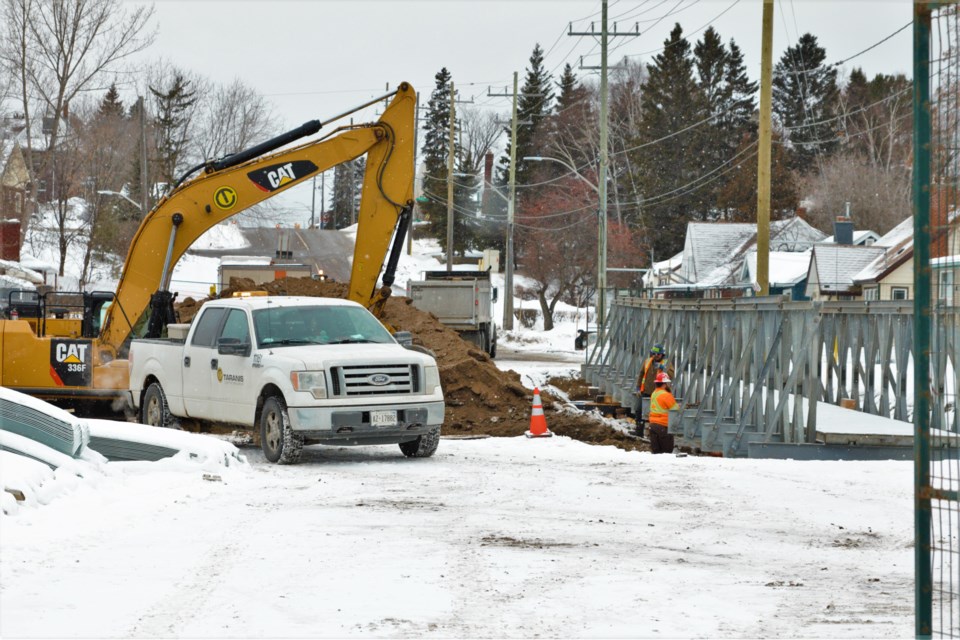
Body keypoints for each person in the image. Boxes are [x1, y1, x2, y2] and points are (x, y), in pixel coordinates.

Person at [633, 344, 675, 436]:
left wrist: (663, 368)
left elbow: (671, 375)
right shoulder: (647, 361)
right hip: (646, 391)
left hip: (659, 394)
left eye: (658, 354)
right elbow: (641, 374)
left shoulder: (667, 363)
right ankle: (639, 430)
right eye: (654, 354)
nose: (656, 356)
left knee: (657, 414)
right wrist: (638, 387)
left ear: (662, 355)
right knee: (639, 410)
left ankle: (659, 432)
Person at [648, 371, 679, 454]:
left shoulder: (654, 393)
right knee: (666, 452)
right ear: (664, 384)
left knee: (656, 452)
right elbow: (675, 409)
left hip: (652, 425)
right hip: (663, 426)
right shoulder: (666, 395)